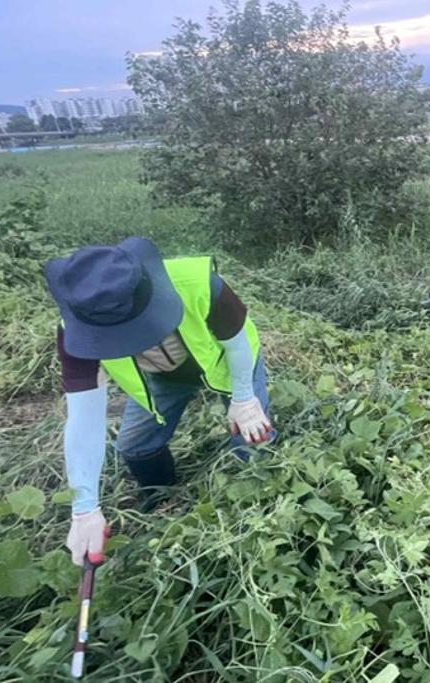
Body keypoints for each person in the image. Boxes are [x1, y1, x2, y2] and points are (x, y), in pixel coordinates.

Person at [44, 237, 274, 566]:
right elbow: (84, 418)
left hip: (225, 363)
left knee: (252, 440)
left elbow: (237, 341)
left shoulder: (197, 282)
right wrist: (84, 509)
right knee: (134, 447)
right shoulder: (76, 331)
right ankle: (162, 500)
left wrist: (243, 398)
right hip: (161, 379)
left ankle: (257, 513)